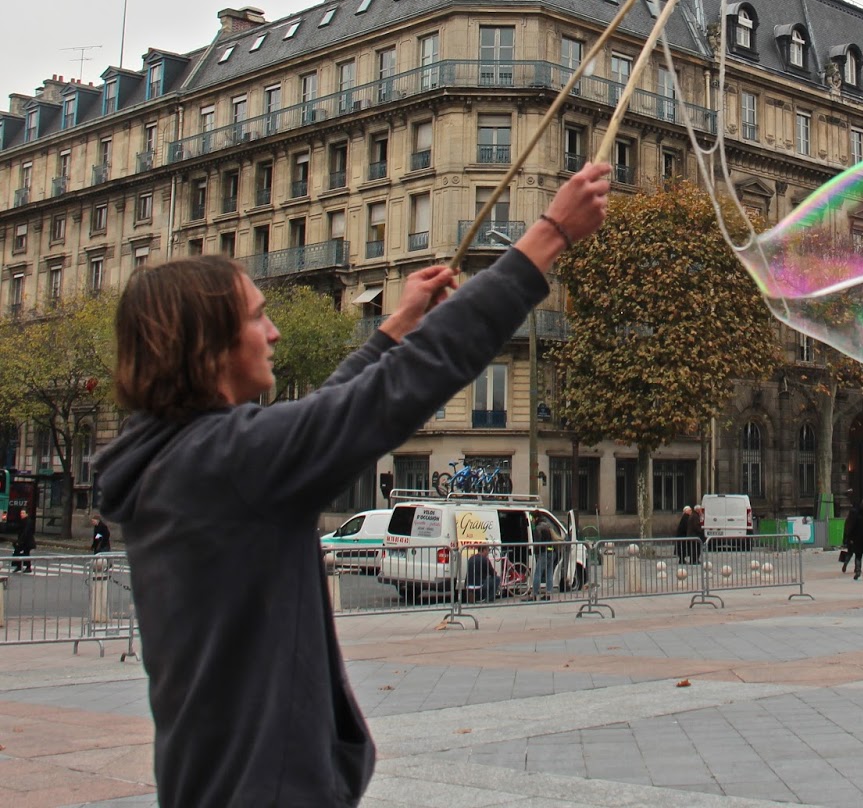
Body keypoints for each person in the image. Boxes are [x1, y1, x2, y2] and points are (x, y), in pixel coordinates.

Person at [93, 161, 610, 807]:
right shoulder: (224, 461)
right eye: (257, 318)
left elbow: (316, 421)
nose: (274, 331)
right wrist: (549, 236)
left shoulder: (183, 459)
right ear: (208, 345)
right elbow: (393, 393)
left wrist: (393, 330)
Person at [532, 516, 560, 599]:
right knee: (549, 573)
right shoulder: (549, 526)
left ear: (535, 518)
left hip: (544, 552)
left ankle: (534, 594)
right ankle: (548, 594)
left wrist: (535, 552)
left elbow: (537, 543)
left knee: (538, 573)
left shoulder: (538, 528)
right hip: (552, 552)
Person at [10, 508, 35, 573]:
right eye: (21, 513)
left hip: (27, 541)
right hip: (23, 540)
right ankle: (19, 566)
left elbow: (25, 532)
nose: (21, 514)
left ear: (27, 514)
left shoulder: (28, 521)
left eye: (23, 513)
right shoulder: (22, 521)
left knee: (25, 554)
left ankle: (28, 567)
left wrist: (20, 541)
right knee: (17, 552)